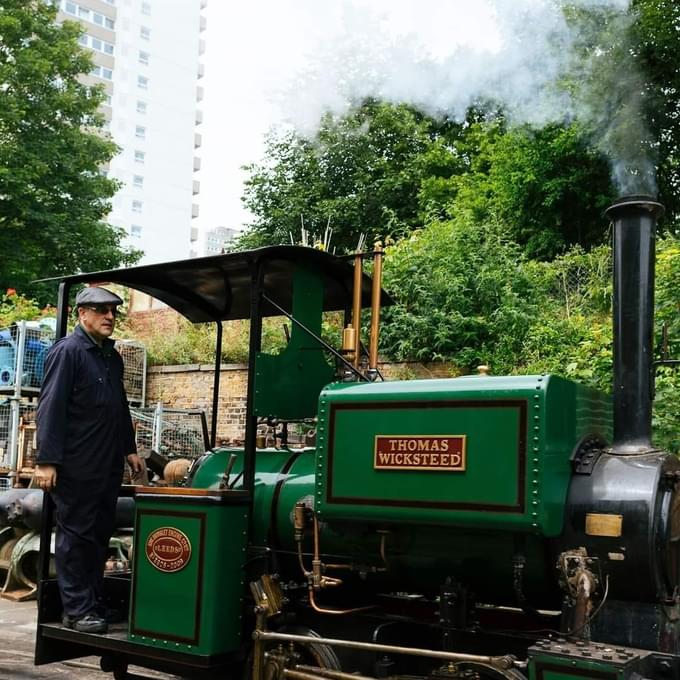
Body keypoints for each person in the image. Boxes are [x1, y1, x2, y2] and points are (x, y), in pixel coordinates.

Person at [35, 286, 143, 634]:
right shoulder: (68, 352)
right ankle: (76, 610)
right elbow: (50, 408)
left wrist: (129, 448)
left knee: (98, 534)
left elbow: (119, 407)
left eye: (113, 310)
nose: (109, 316)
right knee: (76, 535)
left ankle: (92, 603)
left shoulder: (111, 357)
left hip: (106, 463)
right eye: (101, 310)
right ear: (82, 314)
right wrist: (47, 460)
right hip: (76, 464)